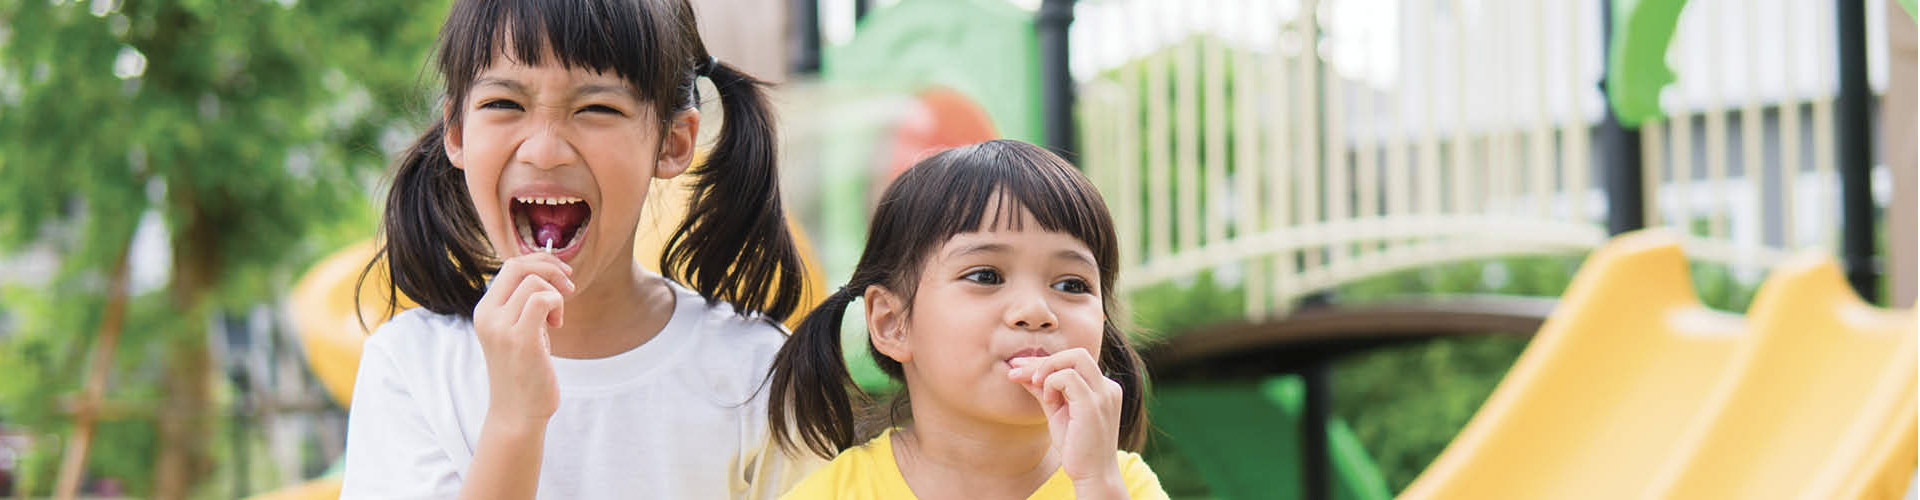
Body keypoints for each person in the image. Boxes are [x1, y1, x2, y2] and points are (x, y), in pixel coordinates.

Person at [340, 0, 814, 497]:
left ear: (672, 143)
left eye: (597, 108)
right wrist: (514, 420)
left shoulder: (758, 372)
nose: (544, 151)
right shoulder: (412, 366)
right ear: (457, 133)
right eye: (504, 104)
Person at [768, 140, 1168, 499]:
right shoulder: (836, 493)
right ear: (892, 323)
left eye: (1071, 284)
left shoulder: (1122, 485)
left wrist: (1096, 483)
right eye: (986, 276)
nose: (1035, 312)